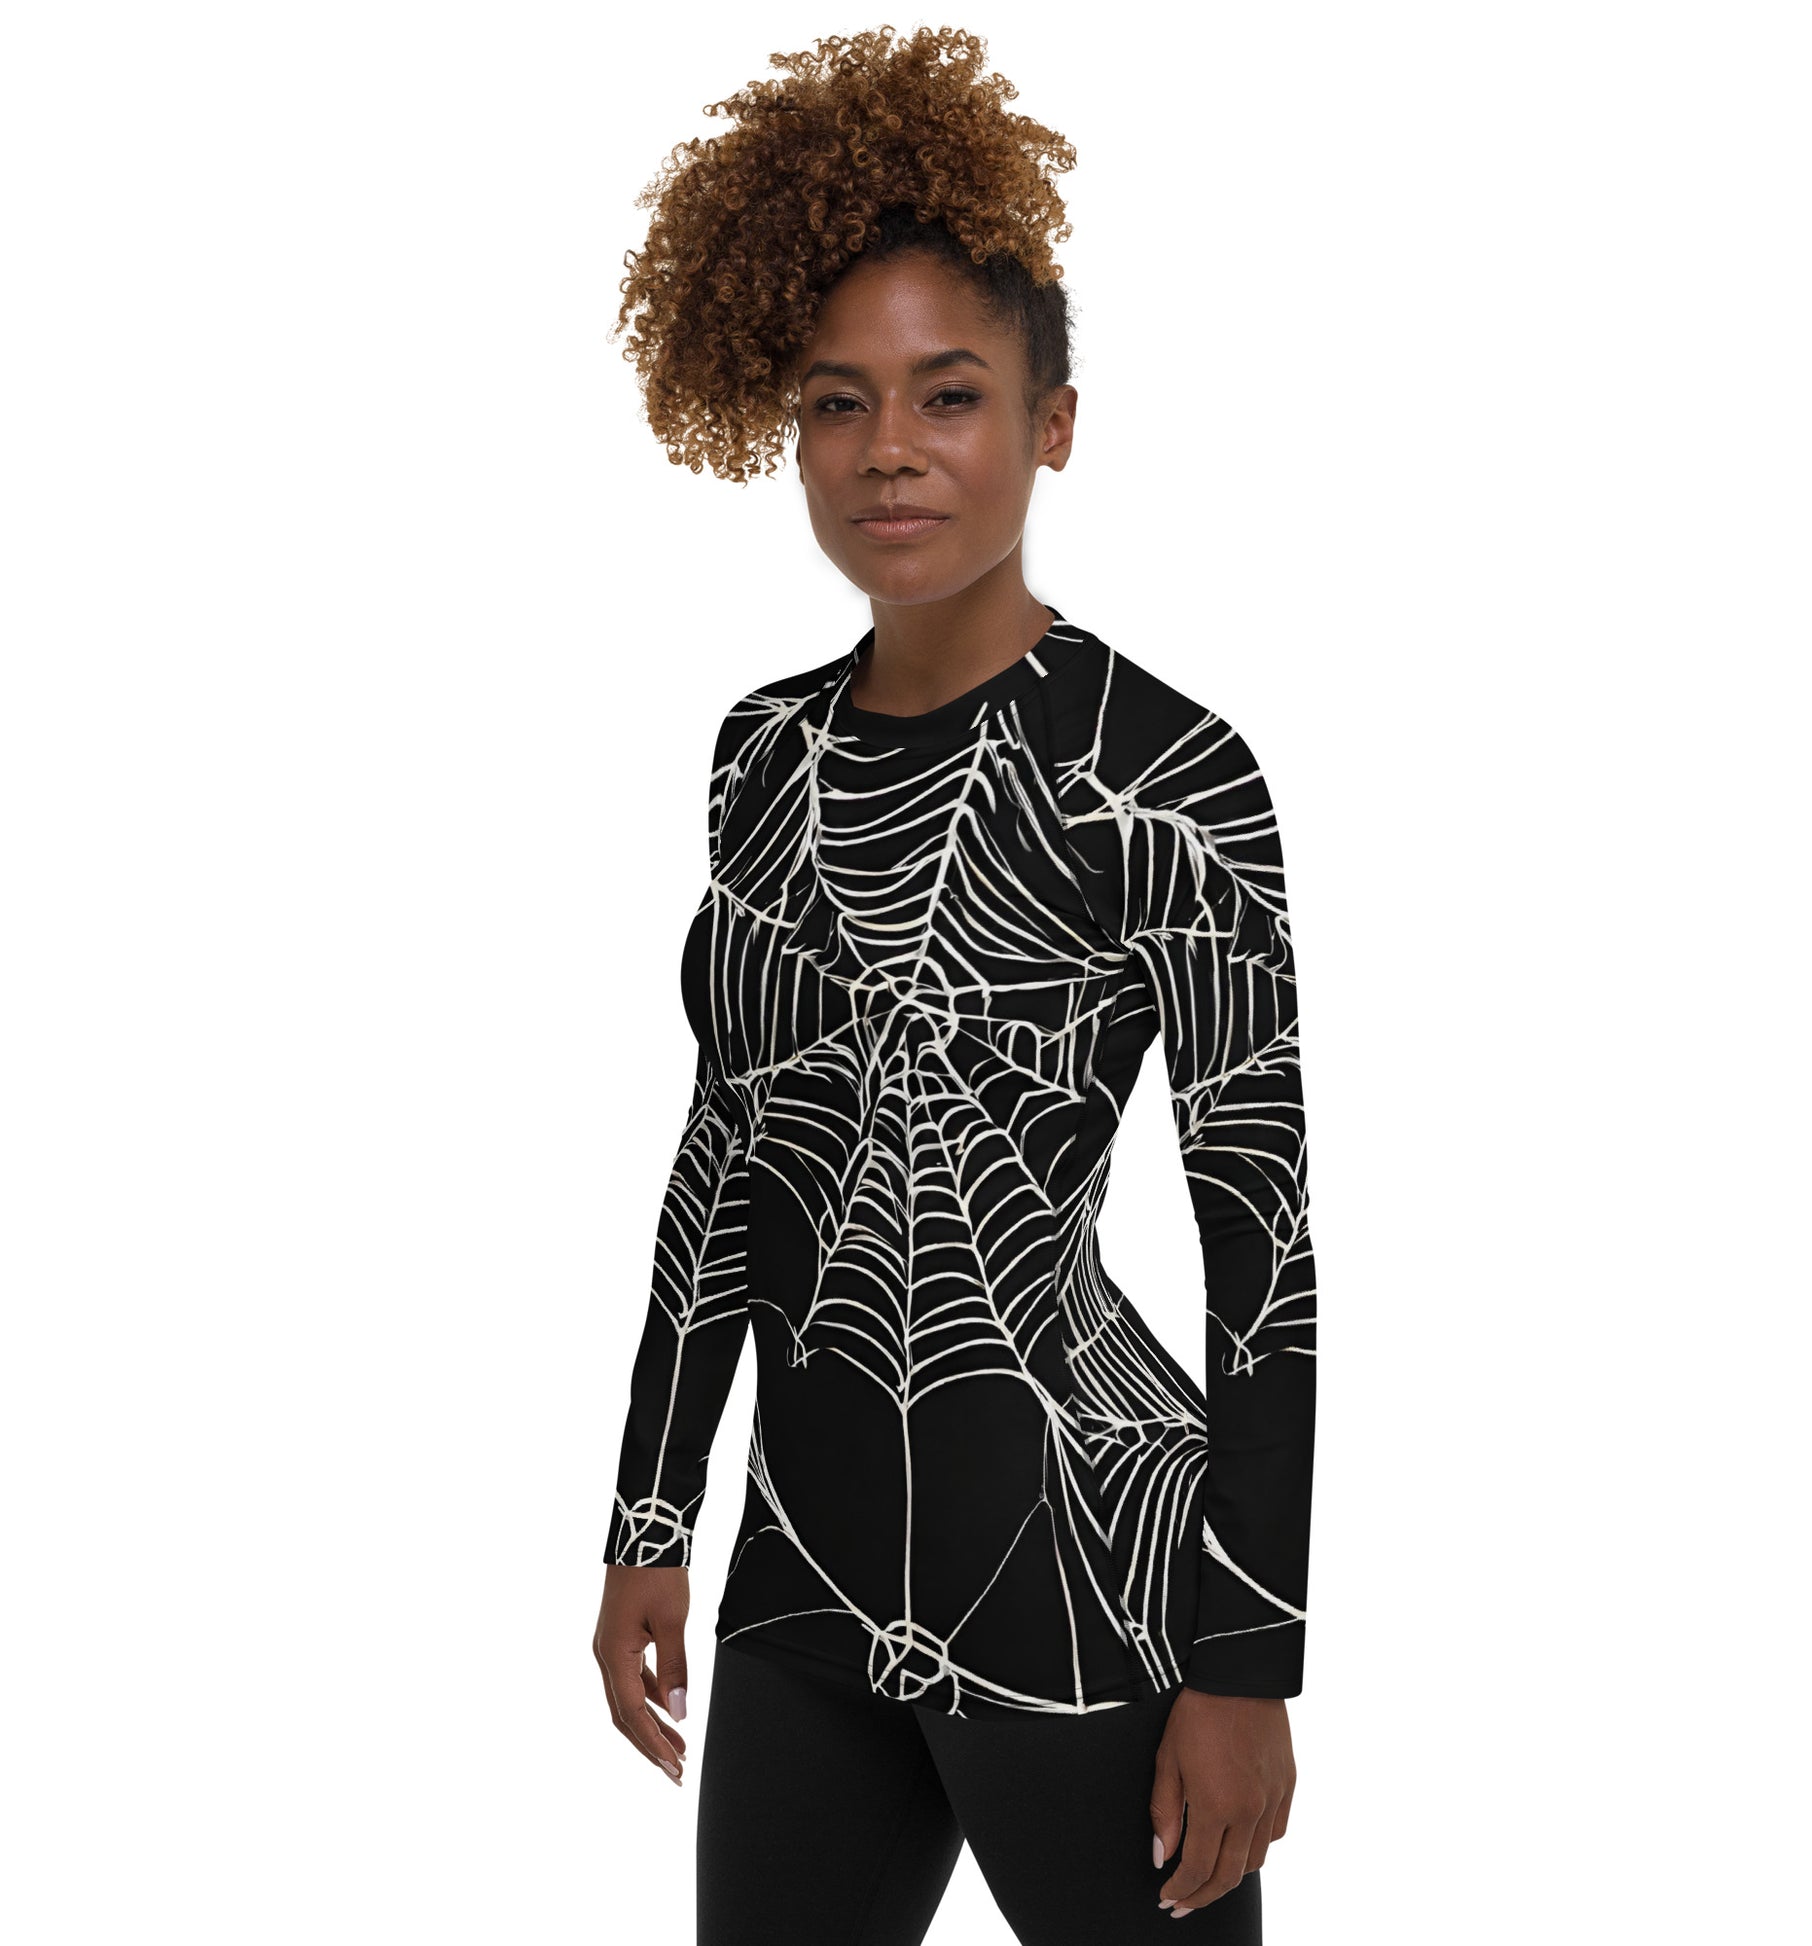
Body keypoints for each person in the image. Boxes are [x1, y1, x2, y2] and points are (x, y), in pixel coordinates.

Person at [589, 27, 1317, 1945]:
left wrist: (1250, 1657)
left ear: (1052, 424)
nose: (888, 447)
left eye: (950, 394)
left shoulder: (1170, 772)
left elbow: (1263, 1246)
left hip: (1086, 1568)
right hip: (799, 1576)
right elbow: (728, 1147)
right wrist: (650, 1512)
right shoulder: (759, 751)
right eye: (836, 402)